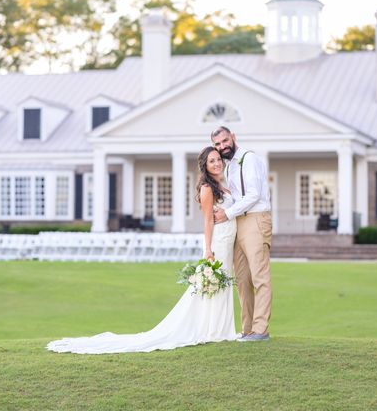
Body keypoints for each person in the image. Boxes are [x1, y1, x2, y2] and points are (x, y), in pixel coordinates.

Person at [47, 146, 236, 354]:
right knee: (216, 285)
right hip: (217, 242)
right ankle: (214, 331)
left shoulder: (223, 185)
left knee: (223, 283)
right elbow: (208, 220)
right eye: (212, 161)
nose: (217, 163)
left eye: (218, 159)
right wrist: (208, 249)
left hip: (227, 241)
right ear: (205, 166)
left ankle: (221, 329)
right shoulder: (207, 188)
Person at [211, 126, 272, 342]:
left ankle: (261, 330)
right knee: (242, 278)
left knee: (259, 276)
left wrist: (227, 213)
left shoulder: (249, 158)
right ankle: (247, 329)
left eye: (225, 141)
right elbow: (239, 197)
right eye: (218, 144)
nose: (222, 147)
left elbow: (254, 194)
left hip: (256, 219)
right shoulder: (229, 167)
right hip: (239, 222)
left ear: (233, 138)